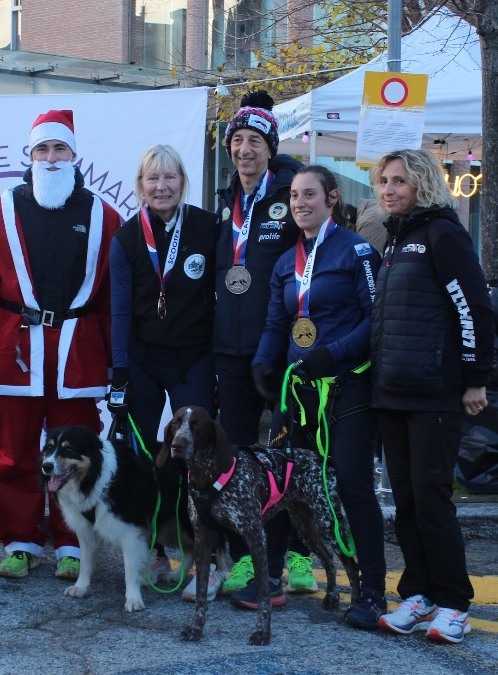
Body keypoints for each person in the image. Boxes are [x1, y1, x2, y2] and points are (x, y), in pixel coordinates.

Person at [0, 110, 122, 580]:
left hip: (78, 353)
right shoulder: (1, 210)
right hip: (15, 350)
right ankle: (20, 542)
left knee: (77, 454)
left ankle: (73, 544)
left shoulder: (104, 215)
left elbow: (116, 296)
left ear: (75, 155)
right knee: (13, 452)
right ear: (30, 155)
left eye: (60, 149)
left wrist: (118, 363)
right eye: (42, 149)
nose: (51, 158)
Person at [244, 165, 387, 629]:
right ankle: (269, 579)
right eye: (293, 198)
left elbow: (375, 320)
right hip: (298, 391)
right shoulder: (287, 261)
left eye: (310, 195)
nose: (300, 203)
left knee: (352, 485)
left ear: (331, 198)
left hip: (347, 388)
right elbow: (277, 323)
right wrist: (263, 364)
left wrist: (334, 354)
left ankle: (372, 591)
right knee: (280, 482)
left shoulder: (358, 251)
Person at [370, 149, 495, 644]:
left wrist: (475, 379)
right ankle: (418, 594)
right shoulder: (395, 240)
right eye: (384, 181)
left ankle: (453, 603)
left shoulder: (444, 234)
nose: (389, 189)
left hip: (435, 394)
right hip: (393, 394)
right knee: (404, 502)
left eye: (399, 180)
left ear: (422, 183)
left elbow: (474, 309)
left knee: (432, 500)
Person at [211, 90, 315, 602]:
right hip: (230, 356)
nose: (245, 149)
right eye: (238, 140)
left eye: (255, 141)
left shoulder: (291, 195)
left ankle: (291, 554)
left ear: (271, 148)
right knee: (237, 460)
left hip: (276, 355)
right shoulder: (225, 200)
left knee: (284, 460)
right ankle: (246, 560)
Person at [108, 143, 217, 581]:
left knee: (194, 455)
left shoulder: (209, 228)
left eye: (169, 177)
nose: (161, 186)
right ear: (140, 186)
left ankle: (202, 549)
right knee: (141, 458)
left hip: (193, 357)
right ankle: (152, 549)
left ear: (183, 181)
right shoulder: (127, 237)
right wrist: (118, 370)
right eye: (152, 178)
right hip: (142, 360)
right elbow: (118, 308)